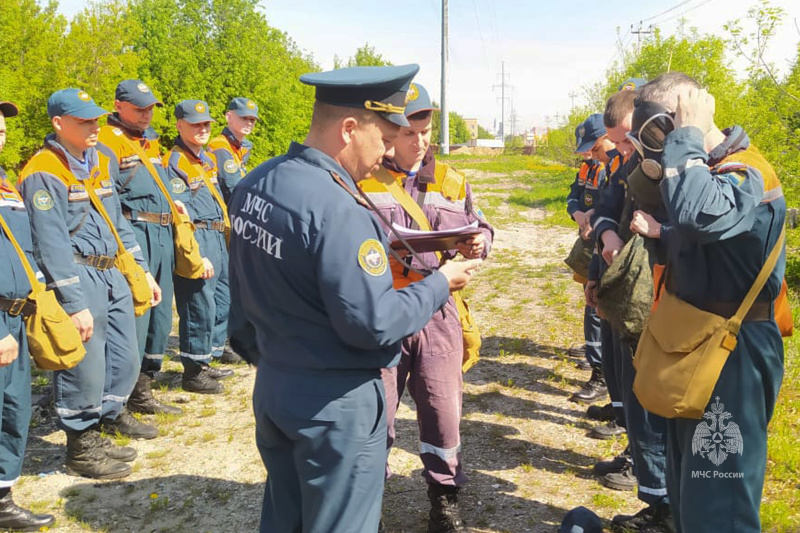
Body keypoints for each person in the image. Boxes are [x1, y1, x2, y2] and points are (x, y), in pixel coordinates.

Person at [227, 64, 481, 533]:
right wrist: (441, 283)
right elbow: (375, 323)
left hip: (276, 388)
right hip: (335, 404)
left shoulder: (256, 183)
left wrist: (278, 362)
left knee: (286, 516)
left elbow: (239, 298)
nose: (386, 151)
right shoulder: (340, 209)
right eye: (384, 138)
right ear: (349, 129)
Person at [634, 72, 785, 533]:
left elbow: (700, 217)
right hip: (697, 346)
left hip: (732, 354)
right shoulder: (704, 170)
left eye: (650, 140)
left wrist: (685, 140)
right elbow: (689, 230)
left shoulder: (747, 171)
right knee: (693, 496)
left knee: (720, 503)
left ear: (666, 126)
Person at [358, 82, 494, 533]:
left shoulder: (452, 179)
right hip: (386, 308)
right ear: (390, 132)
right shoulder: (363, 179)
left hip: (440, 310)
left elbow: (483, 227)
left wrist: (480, 241)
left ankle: (445, 500)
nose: (419, 141)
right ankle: (366, 503)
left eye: (426, 130)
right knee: (377, 410)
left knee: (442, 410)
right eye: (409, 131)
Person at [17, 89, 158, 479]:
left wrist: (141, 269)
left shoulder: (95, 162)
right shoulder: (44, 171)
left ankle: (109, 417)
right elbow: (52, 244)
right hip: (78, 274)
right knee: (84, 365)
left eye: (96, 119)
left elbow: (117, 220)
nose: (94, 126)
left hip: (112, 270)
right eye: (83, 121)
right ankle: (80, 444)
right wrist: (73, 301)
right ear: (59, 124)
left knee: (125, 355)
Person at [588, 80, 674, 532]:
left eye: (631, 137)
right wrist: (607, 234)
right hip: (631, 296)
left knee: (653, 402)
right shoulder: (630, 164)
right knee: (637, 397)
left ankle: (664, 507)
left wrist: (655, 231)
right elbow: (605, 205)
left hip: (664, 307)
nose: (624, 146)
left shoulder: (677, 168)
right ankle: (653, 493)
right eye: (624, 139)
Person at [98, 79, 182, 416]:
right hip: (135, 232)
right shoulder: (107, 141)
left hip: (161, 233)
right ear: (118, 106)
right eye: (139, 108)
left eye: (150, 108)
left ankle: (143, 389)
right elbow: (108, 197)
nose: (146, 114)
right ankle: (120, 398)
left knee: (160, 318)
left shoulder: (149, 142)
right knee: (136, 316)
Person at [0, 98, 56, 530]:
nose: (1, 132)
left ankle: (2, 498)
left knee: (13, 408)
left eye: (2, 127)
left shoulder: (5, 182)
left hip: (18, 315)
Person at [164, 100, 233, 394]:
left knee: (219, 299)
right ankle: (193, 372)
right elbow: (182, 212)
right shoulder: (176, 161)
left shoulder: (204, 159)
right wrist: (195, 254)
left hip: (216, 235)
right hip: (198, 236)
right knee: (197, 305)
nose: (203, 129)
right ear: (180, 125)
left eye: (206, 124)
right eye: (195, 124)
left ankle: (206, 361)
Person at [206, 97, 258, 365]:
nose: (248, 123)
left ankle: (221, 341)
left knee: (232, 283)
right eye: (243, 118)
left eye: (251, 119)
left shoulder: (240, 147)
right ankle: (216, 345)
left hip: (231, 222)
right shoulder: (220, 147)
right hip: (220, 225)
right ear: (229, 117)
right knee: (224, 284)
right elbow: (236, 185)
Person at [567, 113, 612, 404]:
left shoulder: (618, 167)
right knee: (591, 299)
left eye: (594, 147)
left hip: (607, 245)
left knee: (600, 308)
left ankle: (602, 371)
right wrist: (579, 214)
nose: (589, 153)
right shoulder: (590, 167)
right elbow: (574, 195)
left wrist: (598, 223)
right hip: (593, 243)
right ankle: (595, 358)